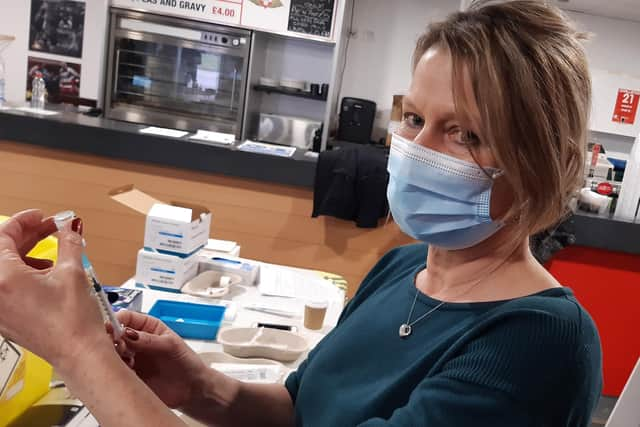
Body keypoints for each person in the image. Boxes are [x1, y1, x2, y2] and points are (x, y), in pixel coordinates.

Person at [0, 1, 602, 426]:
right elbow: (302, 408)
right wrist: (204, 388)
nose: (418, 151)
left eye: (466, 134)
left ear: (546, 162)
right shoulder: (402, 270)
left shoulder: (537, 341)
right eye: (415, 119)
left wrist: (77, 351)